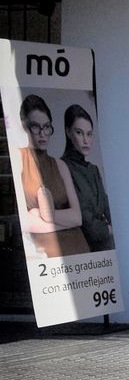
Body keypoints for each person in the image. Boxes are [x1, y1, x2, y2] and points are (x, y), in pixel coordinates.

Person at [15, 94, 90, 258]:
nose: (43, 134)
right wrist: (61, 221)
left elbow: (77, 219)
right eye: (36, 126)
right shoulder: (18, 159)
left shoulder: (60, 165)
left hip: (78, 249)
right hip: (44, 255)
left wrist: (45, 214)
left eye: (47, 126)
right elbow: (24, 222)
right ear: (24, 127)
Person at [61, 104, 115, 253]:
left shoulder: (93, 170)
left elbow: (106, 205)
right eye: (79, 132)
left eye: (89, 134)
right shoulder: (64, 167)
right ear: (68, 132)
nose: (86, 140)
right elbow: (88, 224)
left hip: (101, 250)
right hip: (80, 249)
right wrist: (109, 229)